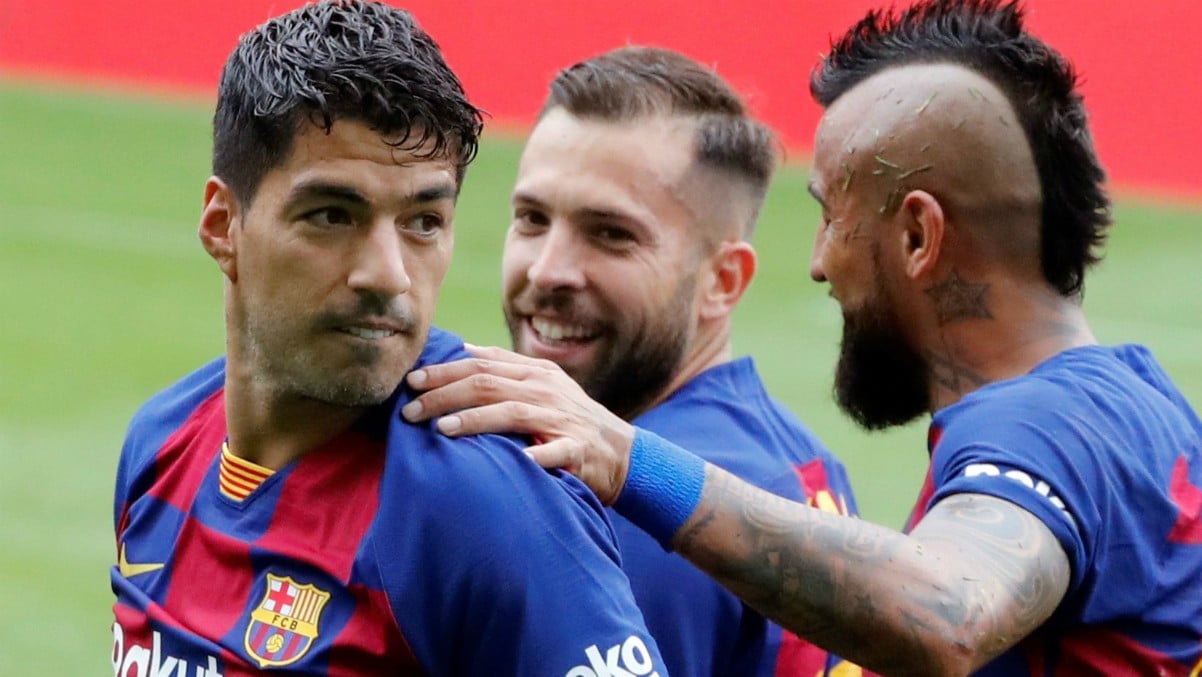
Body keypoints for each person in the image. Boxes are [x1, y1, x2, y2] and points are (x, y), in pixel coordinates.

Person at [401, 0, 1202, 675]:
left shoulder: (1042, 425)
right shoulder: (1125, 408)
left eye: (831, 217)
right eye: (531, 218)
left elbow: (947, 610)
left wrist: (625, 459)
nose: (817, 264)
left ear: (918, 236)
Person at [109, 3, 669, 675]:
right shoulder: (163, 442)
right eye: (332, 215)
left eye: (423, 220)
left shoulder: (487, 504)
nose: (388, 275)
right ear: (224, 226)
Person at [497, 45, 860, 675]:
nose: (548, 269)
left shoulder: (624, 514)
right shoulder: (785, 457)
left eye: (611, 234)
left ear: (722, 280)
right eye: (531, 218)